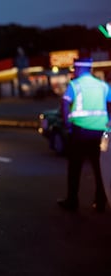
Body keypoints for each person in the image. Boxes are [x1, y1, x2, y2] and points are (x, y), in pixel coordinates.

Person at [57, 57, 111, 212]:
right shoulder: (103, 85)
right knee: (100, 168)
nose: (74, 71)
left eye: (75, 68)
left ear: (79, 69)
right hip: (101, 134)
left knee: (75, 168)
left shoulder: (75, 85)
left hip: (80, 132)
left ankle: (72, 201)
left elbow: (65, 102)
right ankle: (100, 202)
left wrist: (67, 123)